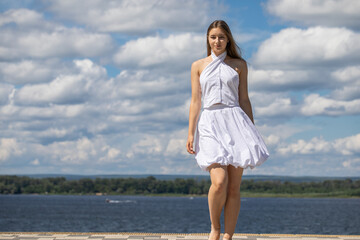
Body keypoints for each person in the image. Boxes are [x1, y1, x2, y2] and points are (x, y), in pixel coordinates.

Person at [186, 20, 269, 240]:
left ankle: (228, 236)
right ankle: (214, 228)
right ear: (207, 39)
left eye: (221, 37)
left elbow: (244, 99)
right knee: (219, 181)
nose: (217, 41)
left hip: (236, 121)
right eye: (213, 37)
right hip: (210, 121)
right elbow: (196, 101)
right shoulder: (198, 65)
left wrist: (251, 131)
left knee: (233, 188)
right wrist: (191, 133)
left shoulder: (239, 65)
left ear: (228, 39)